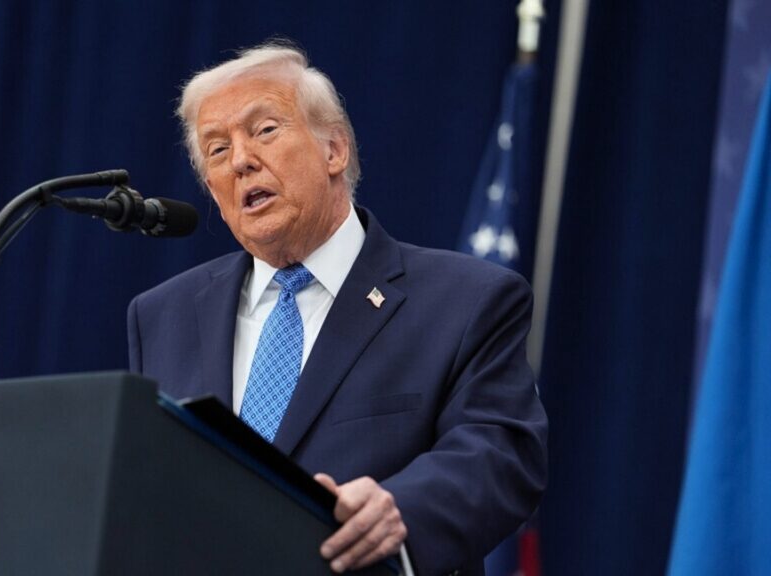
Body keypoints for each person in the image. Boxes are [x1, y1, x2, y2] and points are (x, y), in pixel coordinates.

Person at [127, 42, 547, 576]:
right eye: (216, 150)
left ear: (334, 150)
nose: (240, 160)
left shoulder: (465, 300)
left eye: (265, 130)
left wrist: (400, 511)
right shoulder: (162, 316)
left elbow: (501, 454)